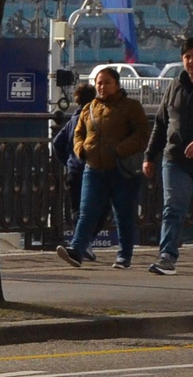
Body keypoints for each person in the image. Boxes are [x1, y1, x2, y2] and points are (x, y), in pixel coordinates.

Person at [58, 66, 150, 269]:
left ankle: (124, 255)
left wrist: (120, 149)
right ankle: (77, 250)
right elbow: (79, 133)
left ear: (117, 85)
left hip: (121, 169)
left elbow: (143, 133)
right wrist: (81, 149)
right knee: (87, 212)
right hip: (94, 168)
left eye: (107, 82)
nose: (102, 86)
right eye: (99, 83)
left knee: (123, 212)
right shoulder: (90, 108)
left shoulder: (130, 107)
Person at [144, 36, 193, 275]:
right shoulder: (175, 86)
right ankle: (167, 256)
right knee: (172, 208)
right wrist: (149, 156)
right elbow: (161, 123)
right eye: (187, 57)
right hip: (175, 160)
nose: (191, 61)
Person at [51, 82, 99, 261]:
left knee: (77, 208)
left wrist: (67, 161)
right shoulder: (92, 118)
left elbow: (57, 142)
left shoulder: (72, 120)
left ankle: (80, 243)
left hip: (73, 170)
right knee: (95, 208)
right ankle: (84, 243)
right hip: (90, 169)